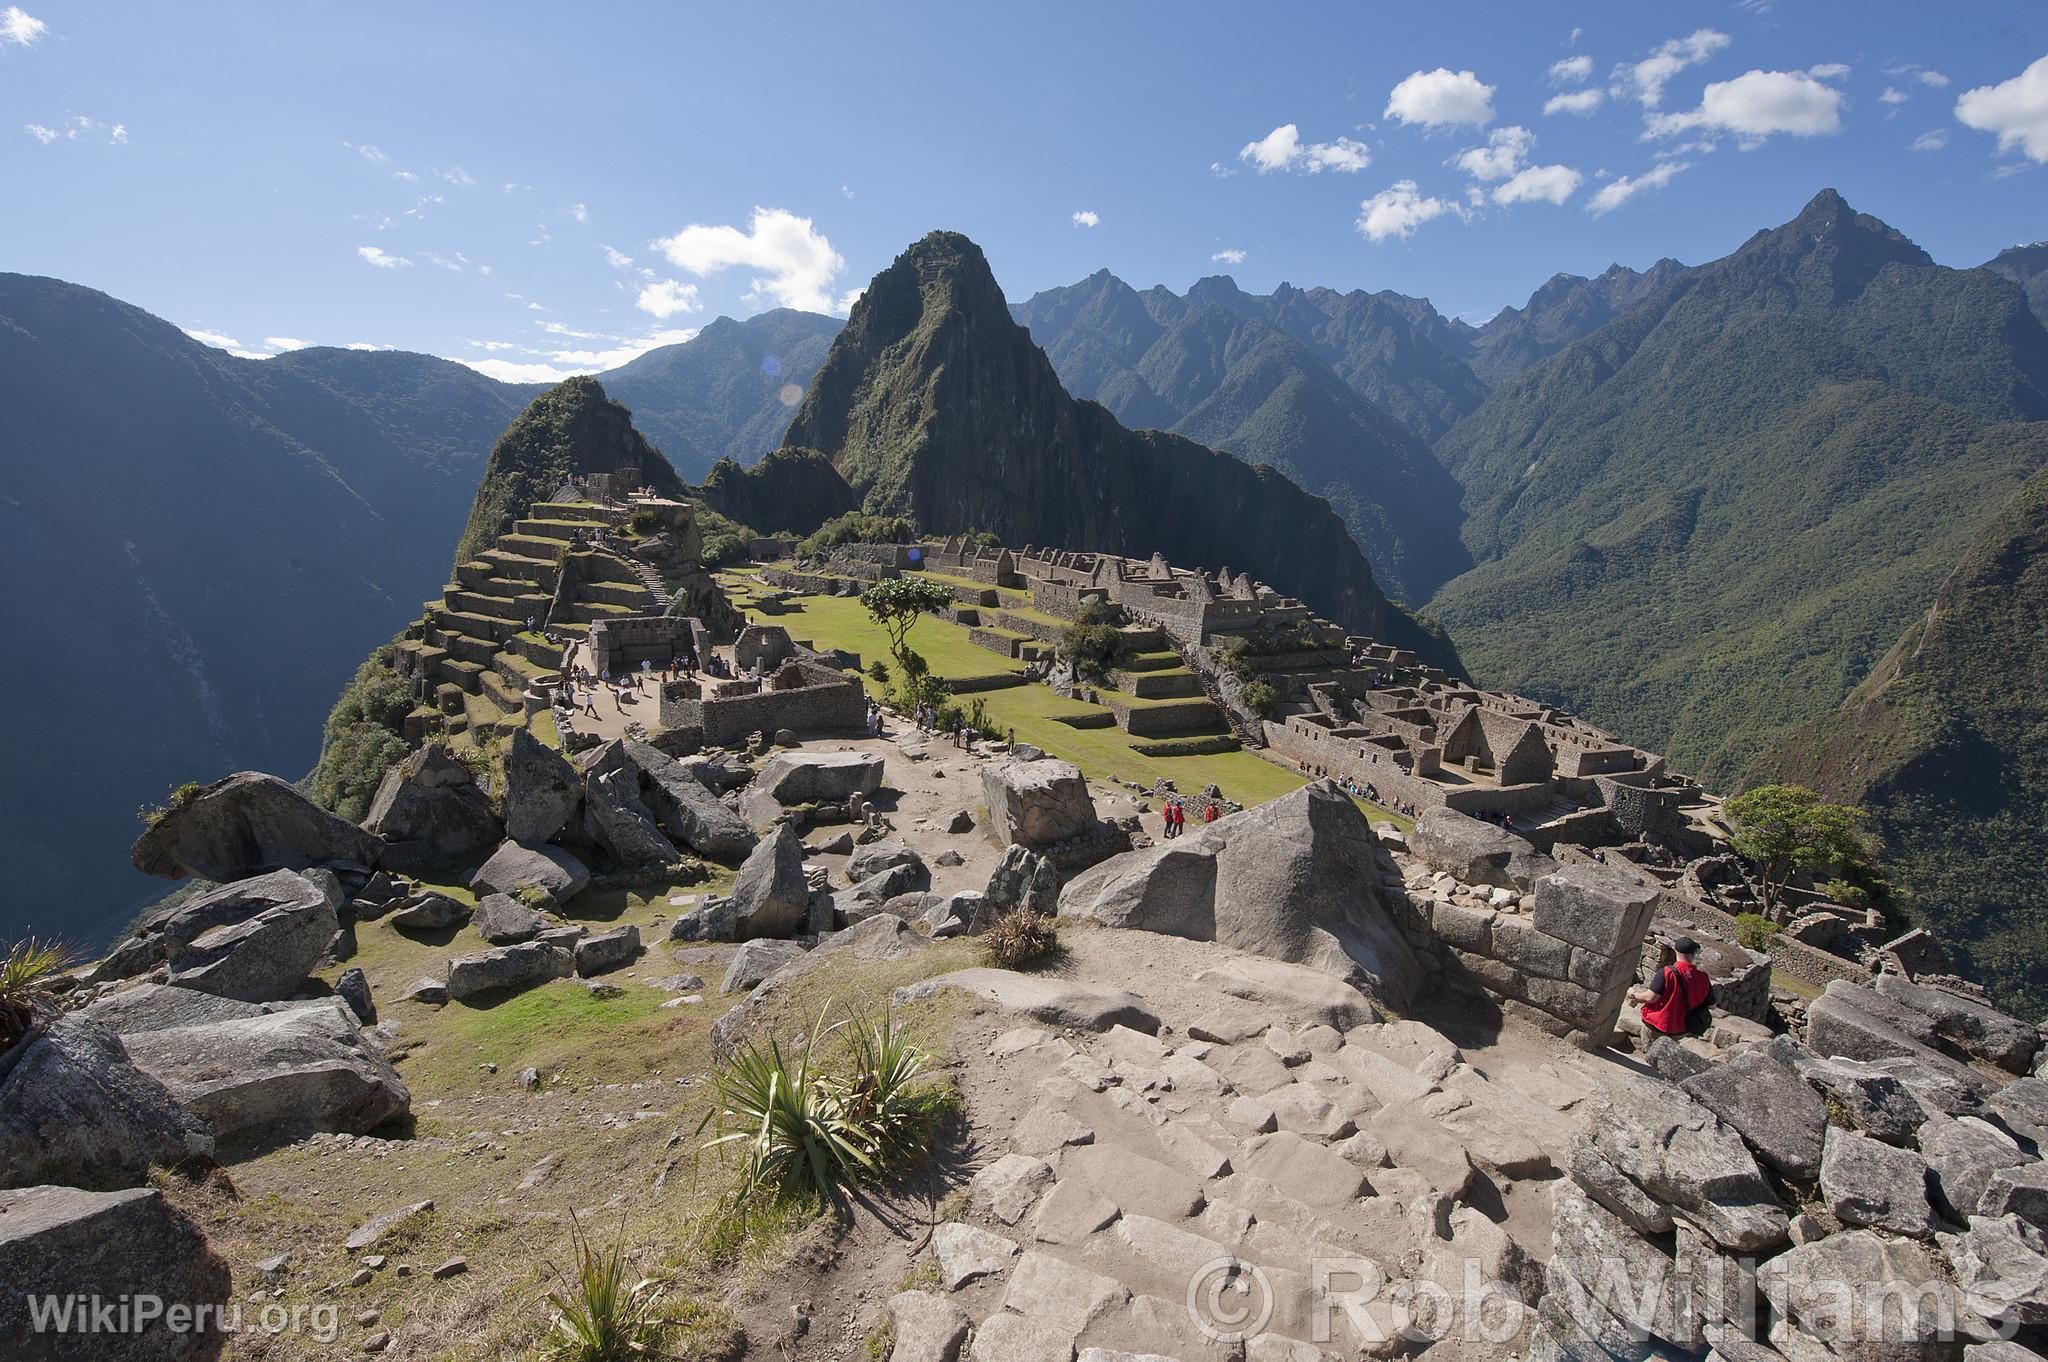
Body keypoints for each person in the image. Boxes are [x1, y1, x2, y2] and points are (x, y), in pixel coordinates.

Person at [1628, 937, 1713, 1039]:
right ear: (1694, 954)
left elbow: (1650, 997)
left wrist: (1633, 995)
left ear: (1675, 951)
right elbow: (1712, 1005)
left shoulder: (1666, 972)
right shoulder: (1703, 978)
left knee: (1649, 1047)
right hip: (1681, 1029)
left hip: (1657, 1024)